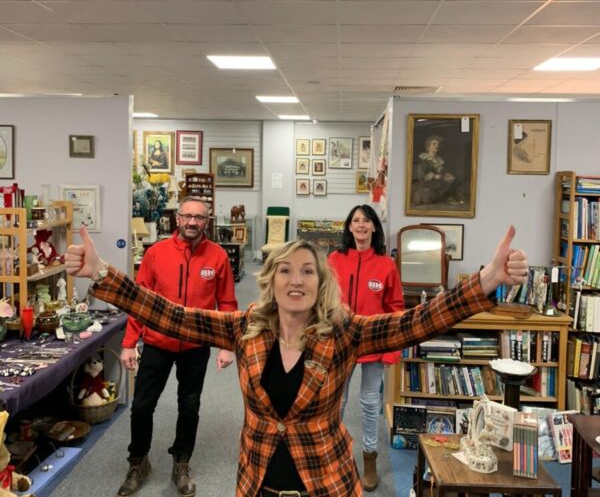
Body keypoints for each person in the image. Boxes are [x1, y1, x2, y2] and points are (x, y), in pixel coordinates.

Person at [66, 225, 528, 497]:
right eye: (285, 270)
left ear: (321, 282)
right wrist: (102, 274)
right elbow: (171, 314)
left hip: (327, 482)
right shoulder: (245, 327)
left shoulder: (344, 332)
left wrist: (485, 281)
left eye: (308, 271)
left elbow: (416, 322)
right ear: (270, 280)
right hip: (257, 482)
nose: (296, 280)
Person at [117, 196, 237, 497]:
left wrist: (228, 345)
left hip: (196, 346)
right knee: (142, 405)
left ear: (207, 221)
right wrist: (129, 343)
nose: (193, 222)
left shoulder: (218, 256)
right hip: (157, 342)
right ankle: (138, 462)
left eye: (199, 217)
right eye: (187, 216)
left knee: (190, 405)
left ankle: (182, 462)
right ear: (178, 219)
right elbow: (139, 302)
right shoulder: (156, 253)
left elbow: (227, 304)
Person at [327, 204, 404, 491]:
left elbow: (395, 309)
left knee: (370, 403)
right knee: (337, 402)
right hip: (340, 344)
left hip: (373, 344)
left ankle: (369, 458)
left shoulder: (386, 264)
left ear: (374, 227)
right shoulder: (334, 259)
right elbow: (321, 300)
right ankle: (332, 456)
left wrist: (392, 349)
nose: (361, 225)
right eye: (356, 220)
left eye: (366, 220)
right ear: (349, 227)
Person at [413, 134, 463, 206]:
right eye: (434, 144)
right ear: (428, 146)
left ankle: (448, 196)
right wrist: (439, 177)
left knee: (457, 179)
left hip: (439, 181)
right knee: (446, 184)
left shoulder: (439, 159)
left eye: (438, 144)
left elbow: (442, 171)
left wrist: (447, 175)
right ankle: (447, 197)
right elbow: (423, 174)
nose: (437, 146)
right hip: (428, 182)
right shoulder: (424, 159)